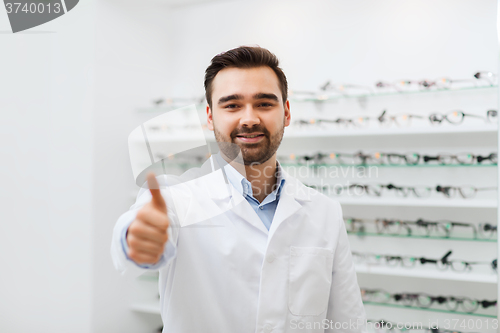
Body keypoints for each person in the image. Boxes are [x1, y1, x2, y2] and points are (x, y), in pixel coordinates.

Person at [111, 46, 367, 333]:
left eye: (264, 104)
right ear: (210, 116)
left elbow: (348, 322)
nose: (249, 118)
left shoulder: (325, 212)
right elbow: (139, 232)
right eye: (232, 105)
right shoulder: (176, 199)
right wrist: (137, 237)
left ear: (286, 112)